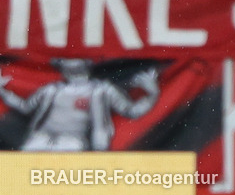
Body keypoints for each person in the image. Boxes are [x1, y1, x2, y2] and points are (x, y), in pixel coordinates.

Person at [0, 59, 159, 150]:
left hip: (72, 144)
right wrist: (3, 91)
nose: (71, 60)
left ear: (87, 64)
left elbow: (131, 111)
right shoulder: (51, 90)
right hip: (40, 140)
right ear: (61, 67)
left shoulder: (101, 90)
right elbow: (24, 106)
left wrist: (152, 94)